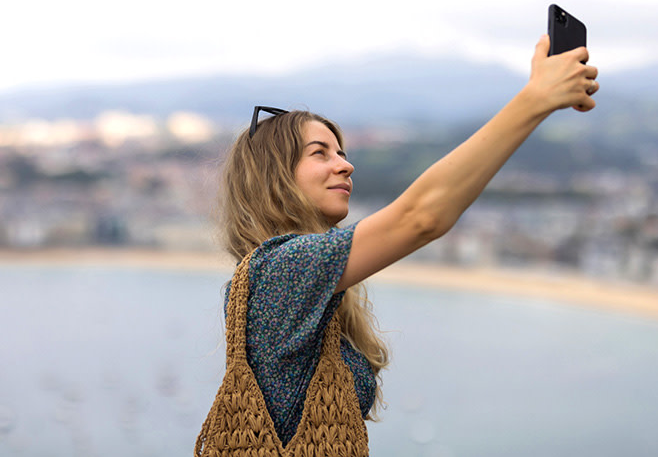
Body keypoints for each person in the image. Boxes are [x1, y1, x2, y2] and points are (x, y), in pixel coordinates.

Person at [211, 34, 598, 449]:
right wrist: (535, 99)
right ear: (276, 176)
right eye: (320, 153)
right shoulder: (281, 271)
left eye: (341, 152)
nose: (346, 164)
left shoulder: (302, 278)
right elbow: (421, 216)